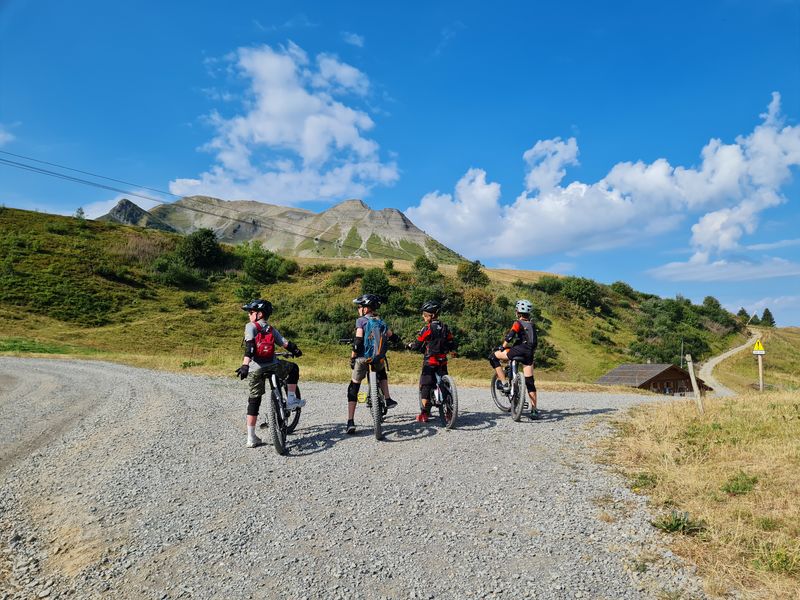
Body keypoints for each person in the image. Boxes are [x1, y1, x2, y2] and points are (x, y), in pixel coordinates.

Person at [235, 299, 303, 448]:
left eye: (251, 312)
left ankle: (251, 438)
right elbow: (285, 343)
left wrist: (245, 366)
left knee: (254, 401)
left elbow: (250, 349)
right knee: (293, 368)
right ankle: (291, 398)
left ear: (259, 314)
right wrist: (296, 350)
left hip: (256, 369)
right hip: (273, 365)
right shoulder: (271, 329)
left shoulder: (250, 327)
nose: (249, 315)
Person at [345, 294, 399, 434]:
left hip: (362, 359)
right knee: (381, 373)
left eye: (359, 307)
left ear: (366, 308)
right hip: (377, 358)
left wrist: (352, 357)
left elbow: (357, 342)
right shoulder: (380, 321)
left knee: (354, 386)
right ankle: (387, 398)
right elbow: (391, 336)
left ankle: (350, 421)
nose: (358, 309)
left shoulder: (361, 321)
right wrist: (399, 342)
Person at [488, 299, 539, 420]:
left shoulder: (518, 323)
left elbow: (510, 336)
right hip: (529, 353)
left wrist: (502, 346)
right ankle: (534, 410)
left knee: (493, 356)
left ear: (518, 312)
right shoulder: (532, 324)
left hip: (519, 350)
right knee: (530, 382)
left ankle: (504, 383)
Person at [407, 300, 457, 422]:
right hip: (443, 361)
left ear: (432, 315)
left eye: (425, 315)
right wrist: (452, 351)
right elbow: (452, 342)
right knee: (445, 385)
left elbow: (418, 344)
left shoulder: (428, 328)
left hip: (430, 361)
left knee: (425, 384)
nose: (423, 317)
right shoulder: (445, 327)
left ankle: (424, 414)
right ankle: (449, 413)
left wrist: (409, 346)